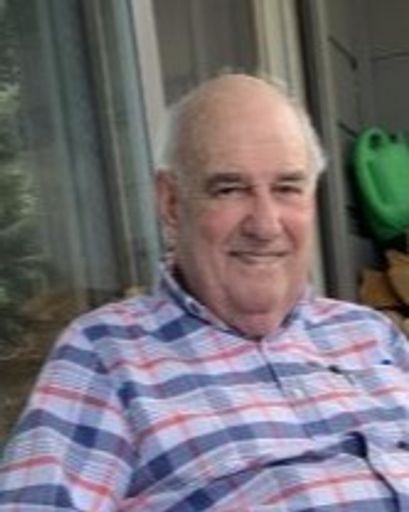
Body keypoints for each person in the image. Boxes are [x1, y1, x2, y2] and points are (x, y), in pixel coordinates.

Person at [1, 73, 409, 511]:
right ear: (171, 203)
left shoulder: (370, 334)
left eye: (287, 188)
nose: (265, 225)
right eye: (230, 189)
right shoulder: (107, 354)